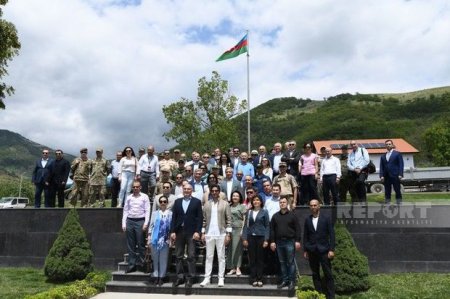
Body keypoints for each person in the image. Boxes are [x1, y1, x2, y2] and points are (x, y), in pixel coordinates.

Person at [170, 184, 203, 288]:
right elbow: (174, 217)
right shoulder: (177, 201)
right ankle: (180, 277)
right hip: (179, 231)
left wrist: (198, 231)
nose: (187, 190)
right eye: (185, 189)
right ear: (182, 190)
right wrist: (172, 231)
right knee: (178, 256)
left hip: (191, 232)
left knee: (191, 256)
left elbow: (200, 218)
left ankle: (190, 278)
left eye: (189, 189)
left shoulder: (197, 202)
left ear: (191, 190)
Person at [200, 184, 232, 287]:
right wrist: (203, 232)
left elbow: (229, 220)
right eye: (212, 191)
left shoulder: (225, 204)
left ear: (219, 192)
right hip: (209, 233)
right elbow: (204, 220)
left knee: (221, 257)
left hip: (221, 233)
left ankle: (221, 278)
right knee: (209, 257)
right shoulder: (207, 204)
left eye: (216, 191)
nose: (214, 192)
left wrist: (228, 234)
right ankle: (207, 278)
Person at [303, 199, 335, 299]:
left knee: (328, 274)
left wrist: (331, 249)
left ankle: (331, 296)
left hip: (324, 250)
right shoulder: (307, 220)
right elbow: (305, 236)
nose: (313, 207)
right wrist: (305, 250)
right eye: (311, 205)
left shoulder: (326, 218)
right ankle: (319, 294)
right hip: (312, 251)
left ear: (319, 206)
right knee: (315, 274)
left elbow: (332, 235)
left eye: (315, 205)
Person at [270, 197, 302, 290]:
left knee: (290, 262)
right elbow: (272, 230)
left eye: (284, 202)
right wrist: (272, 241)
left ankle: (292, 281)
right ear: (279, 204)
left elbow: (298, 229)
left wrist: (297, 241)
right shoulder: (275, 216)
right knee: (282, 262)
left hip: (290, 241)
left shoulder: (292, 215)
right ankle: (285, 280)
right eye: (280, 202)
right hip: (279, 242)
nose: (282, 204)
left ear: (287, 203)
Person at [122, 181, 150, 274]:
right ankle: (131, 265)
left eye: (137, 187)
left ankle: (143, 264)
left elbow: (147, 210)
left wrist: (146, 223)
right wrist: (124, 223)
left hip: (140, 221)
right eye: (134, 187)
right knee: (131, 245)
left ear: (140, 187)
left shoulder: (144, 196)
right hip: (130, 221)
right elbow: (125, 210)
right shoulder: (129, 197)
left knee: (141, 244)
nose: (135, 188)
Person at [242, 196, 270, 287]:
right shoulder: (249, 212)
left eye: (258, 200)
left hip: (261, 237)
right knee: (252, 259)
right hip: (251, 237)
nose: (256, 201)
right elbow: (246, 226)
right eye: (254, 200)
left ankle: (260, 278)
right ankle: (253, 278)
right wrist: (245, 238)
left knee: (260, 259)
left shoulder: (264, 212)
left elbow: (267, 226)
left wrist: (266, 239)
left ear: (261, 202)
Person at [149, 195, 173, 286]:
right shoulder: (155, 213)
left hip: (165, 239)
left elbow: (172, 227)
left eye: (164, 201)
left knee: (163, 258)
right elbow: (151, 225)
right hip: (155, 239)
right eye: (161, 202)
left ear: (167, 203)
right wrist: (149, 237)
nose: (163, 203)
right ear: (159, 203)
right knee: (155, 258)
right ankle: (155, 275)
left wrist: (171, 239)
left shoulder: (170, 213)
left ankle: (161, 277)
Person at [226, 191, 246, 277]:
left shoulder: (242, 207)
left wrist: (243, 230)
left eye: (237, 196)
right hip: (230, 229)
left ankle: (238, 267)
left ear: (240, 197)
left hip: (238, 229)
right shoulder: (229, 206)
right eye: (233, 196)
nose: (235, 197)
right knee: (230, 249)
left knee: (237, 249)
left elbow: (244, 219)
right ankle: (232, 267)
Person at [379, 139, 404, 204]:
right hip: (386, 175)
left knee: (397, 189)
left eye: (389, 144)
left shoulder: (397, 154)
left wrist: (400, 174)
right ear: (385, 146)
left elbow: (401, 164)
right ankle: (387, 201)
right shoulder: (383, 156)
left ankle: (399, 201)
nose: (388, 145)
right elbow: (381, 166)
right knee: (387, 190)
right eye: (387, 144)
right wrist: (381, 176)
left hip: (395, 174)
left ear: (392, 145)